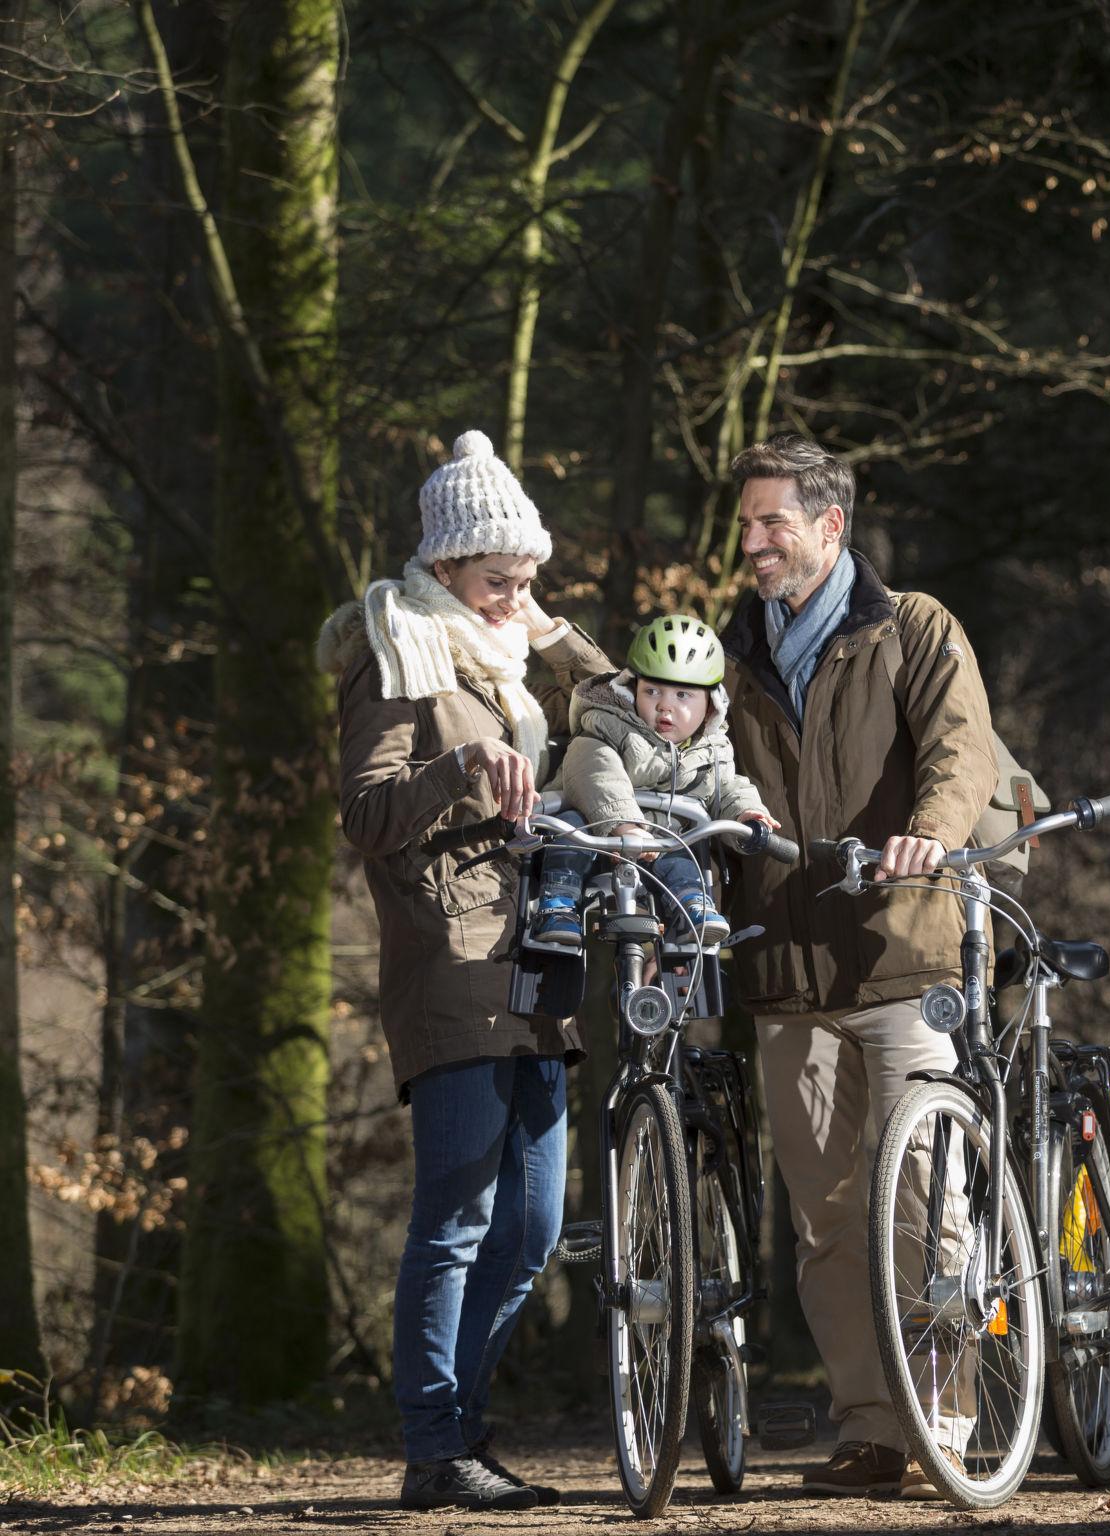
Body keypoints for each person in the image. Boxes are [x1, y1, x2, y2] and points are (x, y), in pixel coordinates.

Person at [320, 430, 612, 1512]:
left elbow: (627, 704)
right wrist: (459, 769)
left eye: (529, 576)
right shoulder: (393, 653)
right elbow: (364, 813)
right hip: (451, 961)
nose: (517, 594)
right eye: (500, 578)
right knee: (455, 1213)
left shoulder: (509, 658)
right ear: (443, 566)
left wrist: (553, 630)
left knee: (533, 1231)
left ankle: (459, 1434)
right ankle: (435, 1444)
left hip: (537, 959)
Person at [718, 432, 999, 1500]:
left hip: (898, 955)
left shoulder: (912, 626)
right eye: (746, 524)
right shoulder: (730, 649)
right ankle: (871, 1426)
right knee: (825, 1222)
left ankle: (944, 1418)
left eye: (769, 523)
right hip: (784, 975)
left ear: (827, 526)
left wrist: (929, 828)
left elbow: (959, 747)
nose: (751, 543)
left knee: (926, 1201)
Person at [529, 613, 778, 961]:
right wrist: (623, 823)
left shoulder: (712, 748)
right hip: (600, 838)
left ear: (711, 705)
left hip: (658, 847)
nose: (665, 705)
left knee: (684, 848)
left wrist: (747, 813)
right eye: (652, 691)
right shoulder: (608, 725)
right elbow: (594, 770)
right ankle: (558, 902)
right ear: (632, 689)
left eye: (683, 695)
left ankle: (692, 905)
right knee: (570, 827)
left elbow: (728, 784)